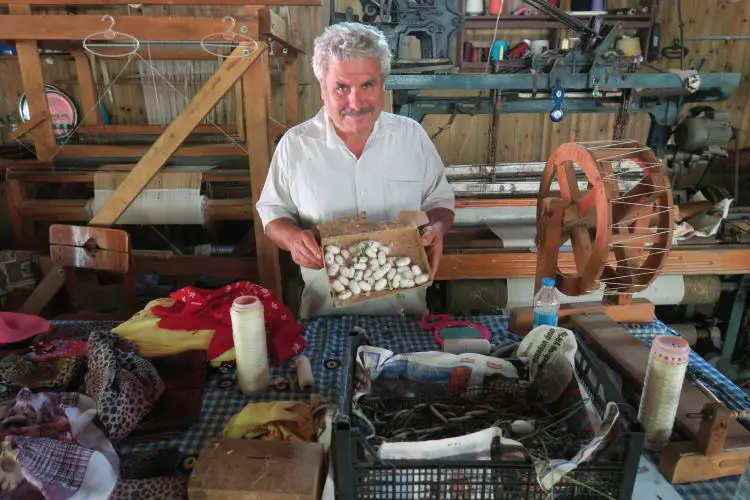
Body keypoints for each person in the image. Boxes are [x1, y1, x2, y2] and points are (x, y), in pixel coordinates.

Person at [256, 22, 455, 319]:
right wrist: (293, 238)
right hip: (324, 317)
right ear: (322, 89)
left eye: (367, 85)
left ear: (382, 85)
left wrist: (437, 229)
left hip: (407, 315)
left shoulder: (411, 137)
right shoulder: (295, 146)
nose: (356, 102)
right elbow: (273, 213)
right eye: (342, 87)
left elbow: (440, 202)